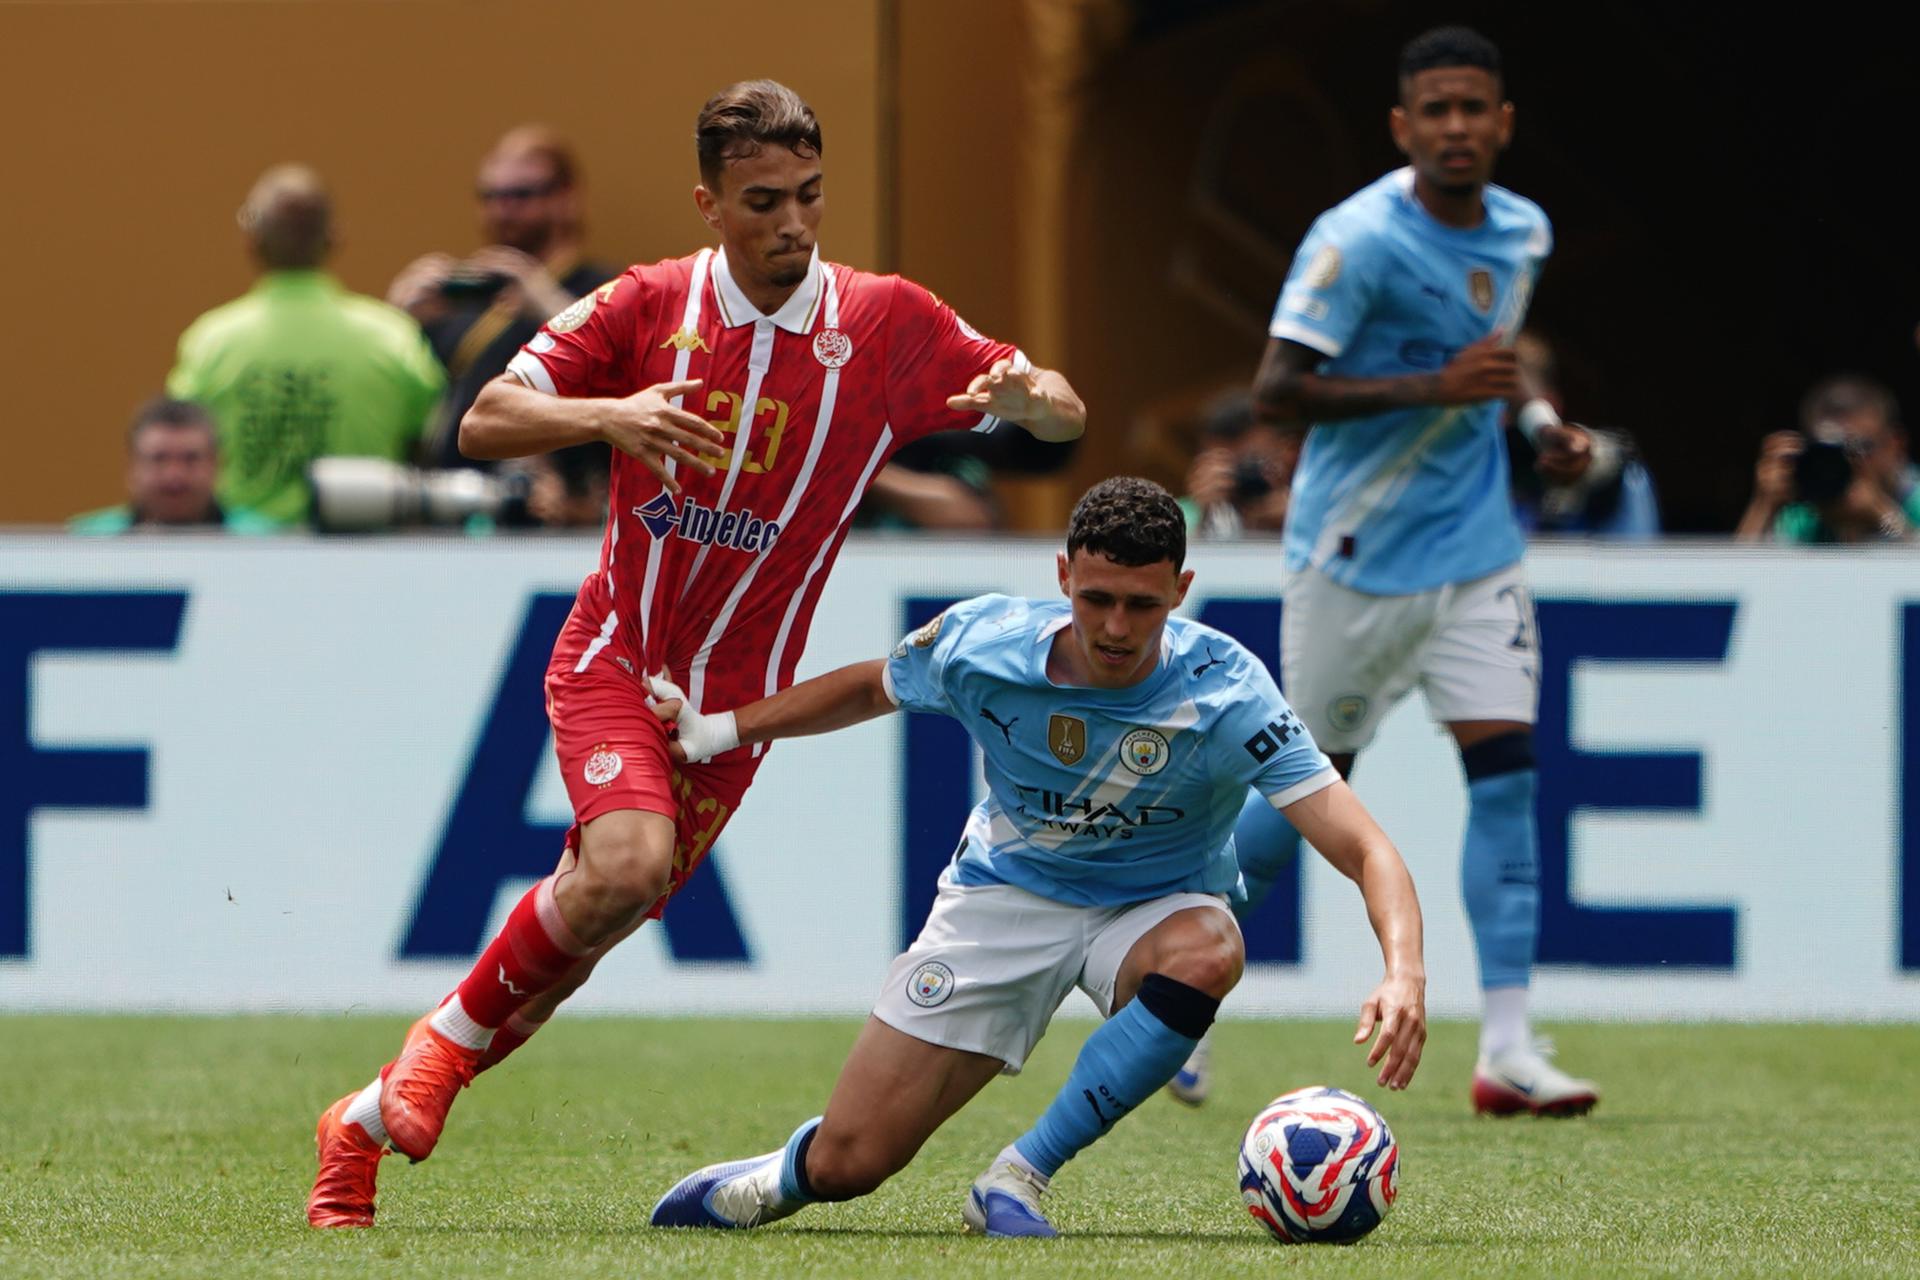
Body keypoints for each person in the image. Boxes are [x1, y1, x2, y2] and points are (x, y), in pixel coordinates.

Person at [306, 79, 1086, 1229]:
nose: (793, 223)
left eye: (810, 196)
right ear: (710, 202)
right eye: (764, 200)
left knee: (585, 925)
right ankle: (430, 1057)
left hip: (736, 711)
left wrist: (1036, 397)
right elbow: (486, 420)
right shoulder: (644, 304)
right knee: (620, 869)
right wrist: (609, 416)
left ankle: (364, 1119)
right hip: (620, 650)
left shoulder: (884, 324)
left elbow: (1060, 418)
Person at [647, 477, 1426, 1237]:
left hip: (1152, 906)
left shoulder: (1227, 691)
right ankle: (778, 1177)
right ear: (1063, 577)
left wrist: (1403, 971)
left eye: (1142, 605)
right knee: (851, 1165)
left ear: (1181, 590)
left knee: (1210, 948)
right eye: (1097, 600)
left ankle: (1017, 1177)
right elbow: (869, 689)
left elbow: (1364, 845)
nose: (1117, 629)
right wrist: (718, 731)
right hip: (1004, 896)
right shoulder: (983, 644)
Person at [1187, 26, 1601, 1118]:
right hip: (1357, 555)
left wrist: (1540, 421)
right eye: (1438, 110)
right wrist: (1439, 392)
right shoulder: (1355, 239)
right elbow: (1278, 389)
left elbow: (1493, 360)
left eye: (1477, 108)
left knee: (1507, 778)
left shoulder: (1522, 231)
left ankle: (1508, 1043)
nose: (1458, 127)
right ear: (1403, 127)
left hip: (1477, 552)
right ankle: (1174, 995)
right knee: (1303, 794)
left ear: (1503, 123)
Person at [167, 165, 446, 527]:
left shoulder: (211, 342)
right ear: (335, 239)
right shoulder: (392, 338)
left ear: (250, 240)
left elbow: (181, 445)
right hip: (363, 553)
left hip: (245, 558)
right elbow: (431, 446)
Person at [387, 126, 616, 474]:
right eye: (490, 196)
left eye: (521, 194)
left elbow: (624, 372)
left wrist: (545, 301)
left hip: (559, 507)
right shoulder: (468, 305)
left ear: (566, 199)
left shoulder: (602, 289)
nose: (503, 209)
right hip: (456, 498)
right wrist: (398, 322)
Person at [1506, 333, 1659, 538]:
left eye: (1509, 406)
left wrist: (1587, 457)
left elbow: (1637, 562)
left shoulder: (1617, 473)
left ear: (1549, 403)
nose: (1498, 419)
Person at [1735, 374, 1918, 543]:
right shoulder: (1806, 516)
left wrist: (1882, 517)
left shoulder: (1914, 501)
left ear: (1896, 446)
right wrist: (1764, 506)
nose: (1851, 463)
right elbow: (1736, 575)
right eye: (1835, 451)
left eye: (1861, 448)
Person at [70, 398, 279, 534]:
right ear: (133, 468)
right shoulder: (86, 545)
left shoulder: (265, 542)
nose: (175, 475)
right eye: (159, 459)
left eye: (191, 459)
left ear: (216, 465)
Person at [1176, 390, 1297, 539]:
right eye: (1226, 466)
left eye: (1253, 463)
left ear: (1288, 452)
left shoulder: (1315, 508)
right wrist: (1202, 518)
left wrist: (1300, 522)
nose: (1240, 475)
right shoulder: (1178, 516)